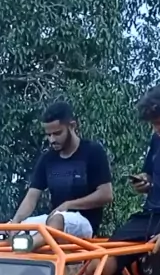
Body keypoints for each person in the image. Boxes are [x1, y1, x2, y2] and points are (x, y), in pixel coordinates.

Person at [86, 82, 160, 275]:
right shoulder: (158, 140)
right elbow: (150, 173)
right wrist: (145, 181)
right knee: (96, 269)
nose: (156, 129)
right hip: (151, 215)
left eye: (159, 123)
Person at [11, 101, 113, 249]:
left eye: (57, 133)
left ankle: (27, 245)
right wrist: (14, 223)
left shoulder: (93, 152)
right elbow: (31, 197)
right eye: (48, 135)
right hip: (53, 220)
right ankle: (9, 249)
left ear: (72, 126)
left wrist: (69, 205)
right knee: (12, 229)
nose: (52, 140)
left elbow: (106, 194)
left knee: (57, 220)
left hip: (84, 223)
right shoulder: (47, 159)